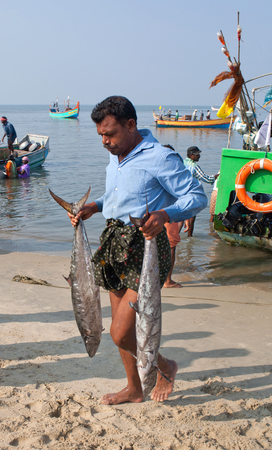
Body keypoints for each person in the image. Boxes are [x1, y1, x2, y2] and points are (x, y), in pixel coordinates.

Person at [68, 96, 207, 405]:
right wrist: (95, 206)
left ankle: (165, 366)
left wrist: (165, 215)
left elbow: (198, 197)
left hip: (145, 246)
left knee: (119, 332)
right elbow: (119, 194)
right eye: (101, 135)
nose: (105, 141)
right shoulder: (116, 154)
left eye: (110, 134)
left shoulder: (160, 157)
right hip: (114, 243)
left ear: (131, 125)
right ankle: (134, 388)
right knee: (120, 329)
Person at [179, 146, 219, 237]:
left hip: (180, 194)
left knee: (180, 218)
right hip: (191, 194)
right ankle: (190, 238)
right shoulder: (194, 166)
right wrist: (217, 175)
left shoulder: (182, 163)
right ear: (191, 155)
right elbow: (207, 179)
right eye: (197, 155)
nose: (199, 156)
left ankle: (174, 238)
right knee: (192, 217)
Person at [162, 145, 182, 288]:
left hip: (153, 214)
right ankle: (167, 280)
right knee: (170, 247)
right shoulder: (173, 171)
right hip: (168, 214)